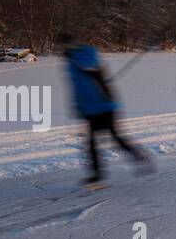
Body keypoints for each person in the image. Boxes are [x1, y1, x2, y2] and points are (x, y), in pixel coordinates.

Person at [58, 33, 153, 185]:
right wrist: (78, 105)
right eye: (62, 45)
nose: (64, 48)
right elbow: (76, 87)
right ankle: (97, 174)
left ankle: (138, 156)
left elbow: (89, 65)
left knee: (114, 138)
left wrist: (73, 55)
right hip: (89, 108)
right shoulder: (69, 61)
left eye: (67, 44)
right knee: (91, 143)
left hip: (104, 105)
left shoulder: (86, 54)